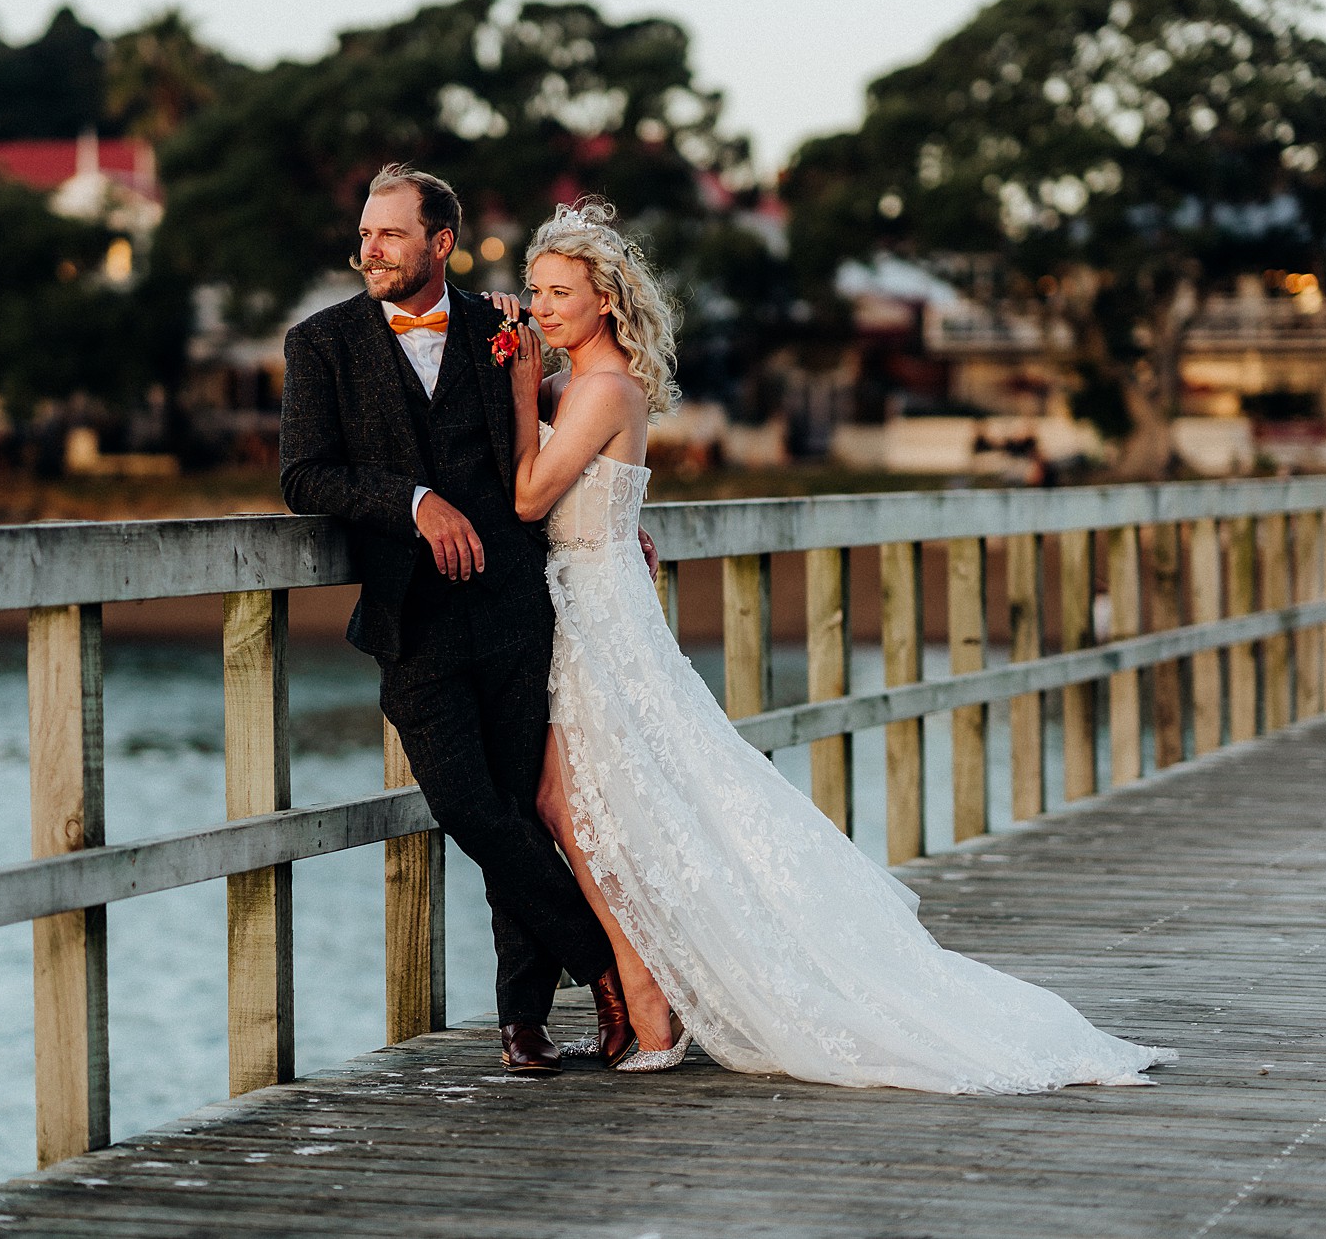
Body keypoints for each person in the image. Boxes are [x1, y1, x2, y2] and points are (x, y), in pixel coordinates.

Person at [493, 199, 1178, 1088]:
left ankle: (647, 1000)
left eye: (559, 293)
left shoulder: (603, 388)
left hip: (600, 610)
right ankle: (641, 992)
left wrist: (515, 391)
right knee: (588, 801)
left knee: (599, 802)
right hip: (585, 599)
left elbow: (527, 497)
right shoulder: (571, 385)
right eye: (535, 292)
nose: (542, 308)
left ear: (606, 300)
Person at [279, 165, 649, 1074]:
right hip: (413, 619)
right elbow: (304, 476)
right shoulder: (318, 343)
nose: (369, 248)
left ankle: (522, 1021)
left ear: (439, 243)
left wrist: (627, 527)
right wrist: (412, 500)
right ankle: (606, 967)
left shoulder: (505, 328)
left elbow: (578, 451)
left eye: (390, 234)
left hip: (520, 608)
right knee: (471, 807)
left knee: (524, 803)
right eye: (365, 232)